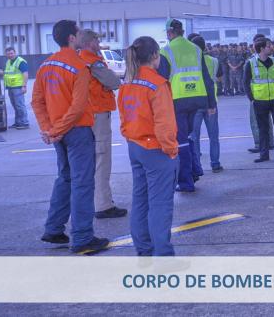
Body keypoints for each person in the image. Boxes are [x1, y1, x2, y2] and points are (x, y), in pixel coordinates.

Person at [32, 19, 109, 252]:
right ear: (72, 38)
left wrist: (49, 129)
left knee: (65, 178)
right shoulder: (79, 66)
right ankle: (83, 237)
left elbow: (37, 101)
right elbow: (77, 108)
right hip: (77, 131)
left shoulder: (45, 66)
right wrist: (55, 130)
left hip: (59, 134)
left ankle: (54, 229)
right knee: (83, 183)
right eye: (77, 33)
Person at [119, 36, 179, 256]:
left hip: (135, 146)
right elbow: (165, 123)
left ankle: (144, 249)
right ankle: (163, 256)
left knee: (141, 201)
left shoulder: (128, 82)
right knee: (160, 205)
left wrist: (130, 138)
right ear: (155, 56)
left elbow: (124, 116)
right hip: (156, 149)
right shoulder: (157, 84)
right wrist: (171, 150)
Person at [158, 18, 216, 193]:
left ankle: (186, 182)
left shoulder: (166, 51)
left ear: (169, 33)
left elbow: (161, 81)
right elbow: (207, 78)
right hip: (198, 98)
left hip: (178, 101)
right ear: (182, 31)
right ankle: (195, 170)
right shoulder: (196, 49)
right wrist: (211, 103)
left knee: (180, 141)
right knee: (190, 136)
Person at [76, 29, 127, 219]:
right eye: (97, 40)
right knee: (102, 160)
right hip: (98, 114)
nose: (99, 43)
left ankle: (93, 202)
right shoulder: (94, 62)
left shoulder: (79, 60)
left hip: (85, 115)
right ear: (91, 43)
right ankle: (103, 205)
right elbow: (114, 82)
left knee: (88, 162)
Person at [244, 37, 274, 162]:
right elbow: (246, 82)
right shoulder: (251, 63)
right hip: (260, 100)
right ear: (262, 48)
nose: (271, 48)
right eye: (269, 46)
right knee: (262, 128)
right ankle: (264, 155)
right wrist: (251, 98)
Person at [187, 34, 222, 174]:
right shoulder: (214, 61)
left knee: (194, 137)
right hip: (211, 103)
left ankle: (197, 166)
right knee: (213, 136)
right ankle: (215, 163)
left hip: (195, 102)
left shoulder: (189, 61)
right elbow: (219, 78)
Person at [245, 35, 274, 154]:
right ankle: (270, 143)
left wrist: (251, 97)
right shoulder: (271, 59)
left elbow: (246, 80)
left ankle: (259, 144)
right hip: (270, 95)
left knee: (256, 121)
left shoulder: (253, 60)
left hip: (257, 95)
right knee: (268, 120)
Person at [3, 47, 30, 129]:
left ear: (15, 53)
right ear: (6, 54)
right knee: (15, 105)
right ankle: (18, 122)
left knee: (20, 105)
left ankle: (24, 122)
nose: (10, 55)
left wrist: (24, 86)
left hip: (18, 87)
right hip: (11, 87)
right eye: (8, 54)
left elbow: (25, 74)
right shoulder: (8, 62)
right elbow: (9, 73)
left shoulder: (20, 61)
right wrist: (2, 72)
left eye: (11, 53)